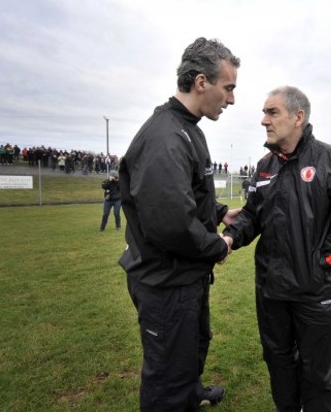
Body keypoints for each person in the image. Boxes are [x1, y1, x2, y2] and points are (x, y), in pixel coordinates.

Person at [222, 86, 331, 412]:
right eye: (264, 112)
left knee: (316, 373)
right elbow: (252, 215)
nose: (264, 120)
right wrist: (230, 237)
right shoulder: (264, 167)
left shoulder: (330, 159)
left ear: (298, 117)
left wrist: (321, 263)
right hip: (271, 291)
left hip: (315, 292)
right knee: (278, 364)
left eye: (272, 112)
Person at [117, 37, 241, 411]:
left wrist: (219, 212)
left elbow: (186, 193)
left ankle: (191, 391)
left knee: (192, 346)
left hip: (184, 276)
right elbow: (170, 222)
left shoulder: (189, 128)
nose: (232, 99)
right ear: (201, 82)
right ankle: (178, 395)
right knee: (167, 371)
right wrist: (218, 246)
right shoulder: (166, 137)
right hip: (164, 281)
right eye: (228, 88)